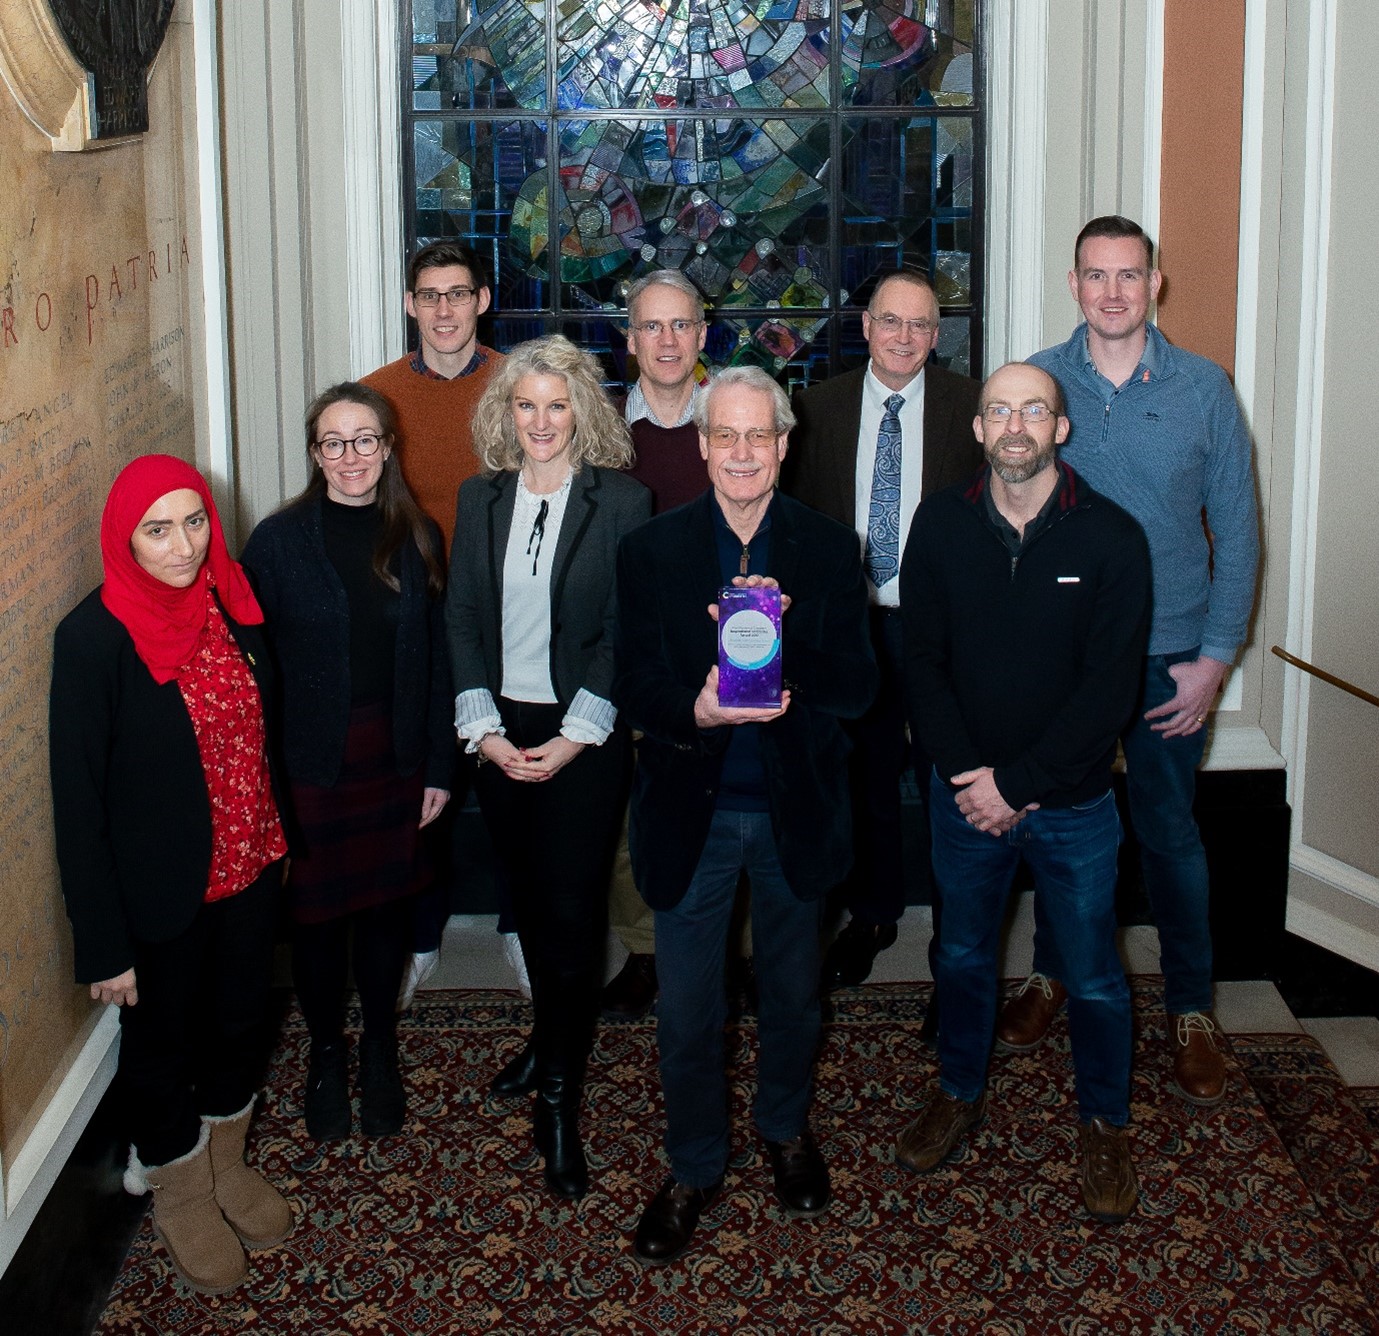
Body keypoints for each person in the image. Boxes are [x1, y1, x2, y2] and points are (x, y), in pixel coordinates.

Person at [614, 366, 877, 1264]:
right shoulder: (649, 552)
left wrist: (785, 646)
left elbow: (858, 688)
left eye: (757, 436)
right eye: (723, 436)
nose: (739, 453)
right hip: (691, 810)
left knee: (793, 998)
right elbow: (630, 686)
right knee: (687, 1012)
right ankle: (693, 1165)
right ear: (700, 444)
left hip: (791, 815)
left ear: (784, 442)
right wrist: (696, 706)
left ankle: (784, 1129)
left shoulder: (833, 550)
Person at [1004, 216, 1261, 1105]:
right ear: (1073, 284)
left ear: (1154, 284)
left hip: (1168, 654)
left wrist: (1215, 658)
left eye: (1129, 275)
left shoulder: (1202, 389)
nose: (1112, 291)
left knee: (1168, 833)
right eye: (1094, 275)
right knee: (1057, 824)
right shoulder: (1036, 381)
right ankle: (1050, 975)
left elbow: (1237, 530)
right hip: (1063, 657)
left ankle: (1191, 1010)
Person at [896, 361, 1151, 1223]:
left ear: (1059, 427)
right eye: (998, 410)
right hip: (962, 799)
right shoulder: (936, 526)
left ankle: (1103, 1121)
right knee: (962, 959)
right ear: (976, 429)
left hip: (1073, 805)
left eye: (1032, 411)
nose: (1014, 425)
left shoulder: (1112, 539)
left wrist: (1019, 784)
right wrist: (975, 781)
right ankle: (958, 1092)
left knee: (1092, 976)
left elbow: (1108, 692)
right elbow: (920, 664)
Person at [50, 455, 292, 1295]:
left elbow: (266, 734)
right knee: (159, 1049)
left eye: (195, 522)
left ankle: (224, 1164)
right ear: (126, 539)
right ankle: (180, 1189)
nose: (183, 545)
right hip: (161, 894)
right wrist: (103, 945)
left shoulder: (234, 600)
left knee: (238, 1024)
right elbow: (77, 804)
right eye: (158, 529)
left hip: (252, 863)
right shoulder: (91, 639)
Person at [447, 335, 651, 1200]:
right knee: (526, 905)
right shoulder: (479, 498)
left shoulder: (623, 502)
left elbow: (622, 633)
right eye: (524, 404)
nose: (540, 421)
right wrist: (484, 731)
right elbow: (460, 620)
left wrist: (574, 737)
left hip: (582, 735)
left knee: (571, 918)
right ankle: (545, 1037)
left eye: (556, 404)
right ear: (506, 413)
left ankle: (560, 1103)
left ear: (582, 412)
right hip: (500, 731)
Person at [241, 383, 453, 1142]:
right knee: (321, 921)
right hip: (311, 761)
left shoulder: (418, 533)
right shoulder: (274, 543)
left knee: (387, 913)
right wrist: (263, 781)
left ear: (388, 448)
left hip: (394, 754)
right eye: (334, 442)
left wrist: (437, 766)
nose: (350, 457)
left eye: (365, 440)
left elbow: (436, 663)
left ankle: (380, 1052)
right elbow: (252, 669)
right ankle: (328, 1053)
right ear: (314, 453)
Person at [787, 269, 982, 991]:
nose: (905, 338)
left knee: (950, 782)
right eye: (891, 322)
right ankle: (871, 917)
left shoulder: (971, 410)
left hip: (940, 635)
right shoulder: (816, 410)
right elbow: (799, 526)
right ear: (865, 326)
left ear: (938, 335)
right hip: (851, 630)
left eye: (921, 325)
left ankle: (955, 950)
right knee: (862, 780)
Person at [361, 240, 505, 1008]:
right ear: (412, 305)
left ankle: (518, 929)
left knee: (516, 781)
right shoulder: (376, 398)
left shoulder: (520, 387)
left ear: (482, 301)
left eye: (458, 293)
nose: (444, 309)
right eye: (430, 295)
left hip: (507, 617)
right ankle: (420, 935)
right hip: (412, 621)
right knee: (418, 788)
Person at [601, 268, 712, 1021]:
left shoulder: (734, 416)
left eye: (681, 326)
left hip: (719, 649)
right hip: (630, 652)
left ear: (703, 336)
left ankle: (724, 957)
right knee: (631, 818)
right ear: (629, 339)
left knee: (725, 808)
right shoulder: (601, 429)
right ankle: (642, 954)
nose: (666, 341)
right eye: (651, 327)